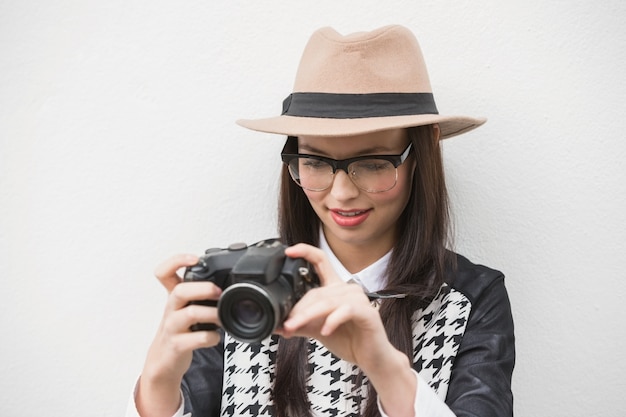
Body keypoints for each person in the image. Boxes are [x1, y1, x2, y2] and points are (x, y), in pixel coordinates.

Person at [126, 25, 515, 417]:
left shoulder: (471, 299)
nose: (342, 193)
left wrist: (383, 365)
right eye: (314, 162)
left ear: (422, 152)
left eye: (373, 163)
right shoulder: (243, 289)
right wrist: (158, 387)